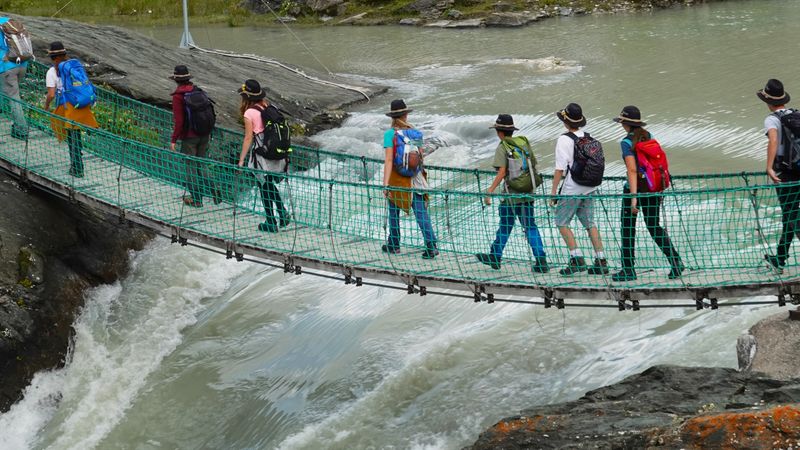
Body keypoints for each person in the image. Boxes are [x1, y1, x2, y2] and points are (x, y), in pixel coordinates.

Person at [610, 106, 683, 282]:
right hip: (653, 189)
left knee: (627, 228)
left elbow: (632, 170)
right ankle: (675, 261)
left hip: (634, 190)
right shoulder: (649, 137)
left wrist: (633, 198)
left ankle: (628, 269)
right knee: (653, 226)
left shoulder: (626, 142)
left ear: (626, 124)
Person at [476, 114, 548, 273]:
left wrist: (489, 191)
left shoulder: (503, 147)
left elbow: (502, 172)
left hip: (510, 195)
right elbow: (534, 164)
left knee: (505, 226)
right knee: (530, 226)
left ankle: (495, 256)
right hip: (528, 192)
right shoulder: (523, 143)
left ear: (499, 132)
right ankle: (541, 260)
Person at [550, 103, 607, 276]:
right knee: (590, 224)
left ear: (565, 122)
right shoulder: (589, 137)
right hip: (590, 186)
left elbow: (560, 169)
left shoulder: (564, 139)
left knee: (561, 222)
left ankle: (577, 259)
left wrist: (553, 193)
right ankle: (601, 260)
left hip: (573, 188)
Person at [382, 99, 438, 259]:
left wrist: (385, 185)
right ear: (406, 115)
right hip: (416, 178)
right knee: (421, 212)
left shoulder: (389, 135)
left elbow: (389, 160)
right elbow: (420, 158)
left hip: (396, 179)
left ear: (392, 117)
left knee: (394, 210)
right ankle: (431, 245)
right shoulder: (415, 133)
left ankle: (394, 244)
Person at [236, 79, 289, 232]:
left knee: (263, 186)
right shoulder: (268, 106)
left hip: (261, 155)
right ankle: (282, 213)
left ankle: (271, 222)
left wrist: (241, 160)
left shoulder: (249, 113)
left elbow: (248, 138)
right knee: (269, 184)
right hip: (275, 153)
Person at [759, 79, 800, 272]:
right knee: (791, 217)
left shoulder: (771, 119)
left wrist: (769, 167)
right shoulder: (795, 114)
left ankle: (780, 258)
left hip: (785, 175)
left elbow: (773, 140)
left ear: (768, 101)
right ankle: (781, 258)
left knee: (790, 216)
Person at [43, 41, 97, 178]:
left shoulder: (51, 72)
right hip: (82, 104)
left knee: (71, 137)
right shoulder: (74, 65)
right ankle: (77, 164)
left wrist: (46, 106)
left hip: (67, 107)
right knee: (76, 135)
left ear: (53, 57)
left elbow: (51, 94)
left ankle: (77, 168)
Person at [169, 65, 219, 207]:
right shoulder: (198, 91)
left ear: (176, 80)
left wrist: (173, 140)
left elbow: (179, 121)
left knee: (190, 167)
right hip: (204, 134)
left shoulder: (178, 97)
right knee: (201, 163)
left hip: (190, 138)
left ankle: (196, 200)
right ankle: (214, 188)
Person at [0, 16, 28, 140]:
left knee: (13, 98)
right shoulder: (8, 21)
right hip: (22, 64)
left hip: (6, 67)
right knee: (11, 94)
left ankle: (21, 130)